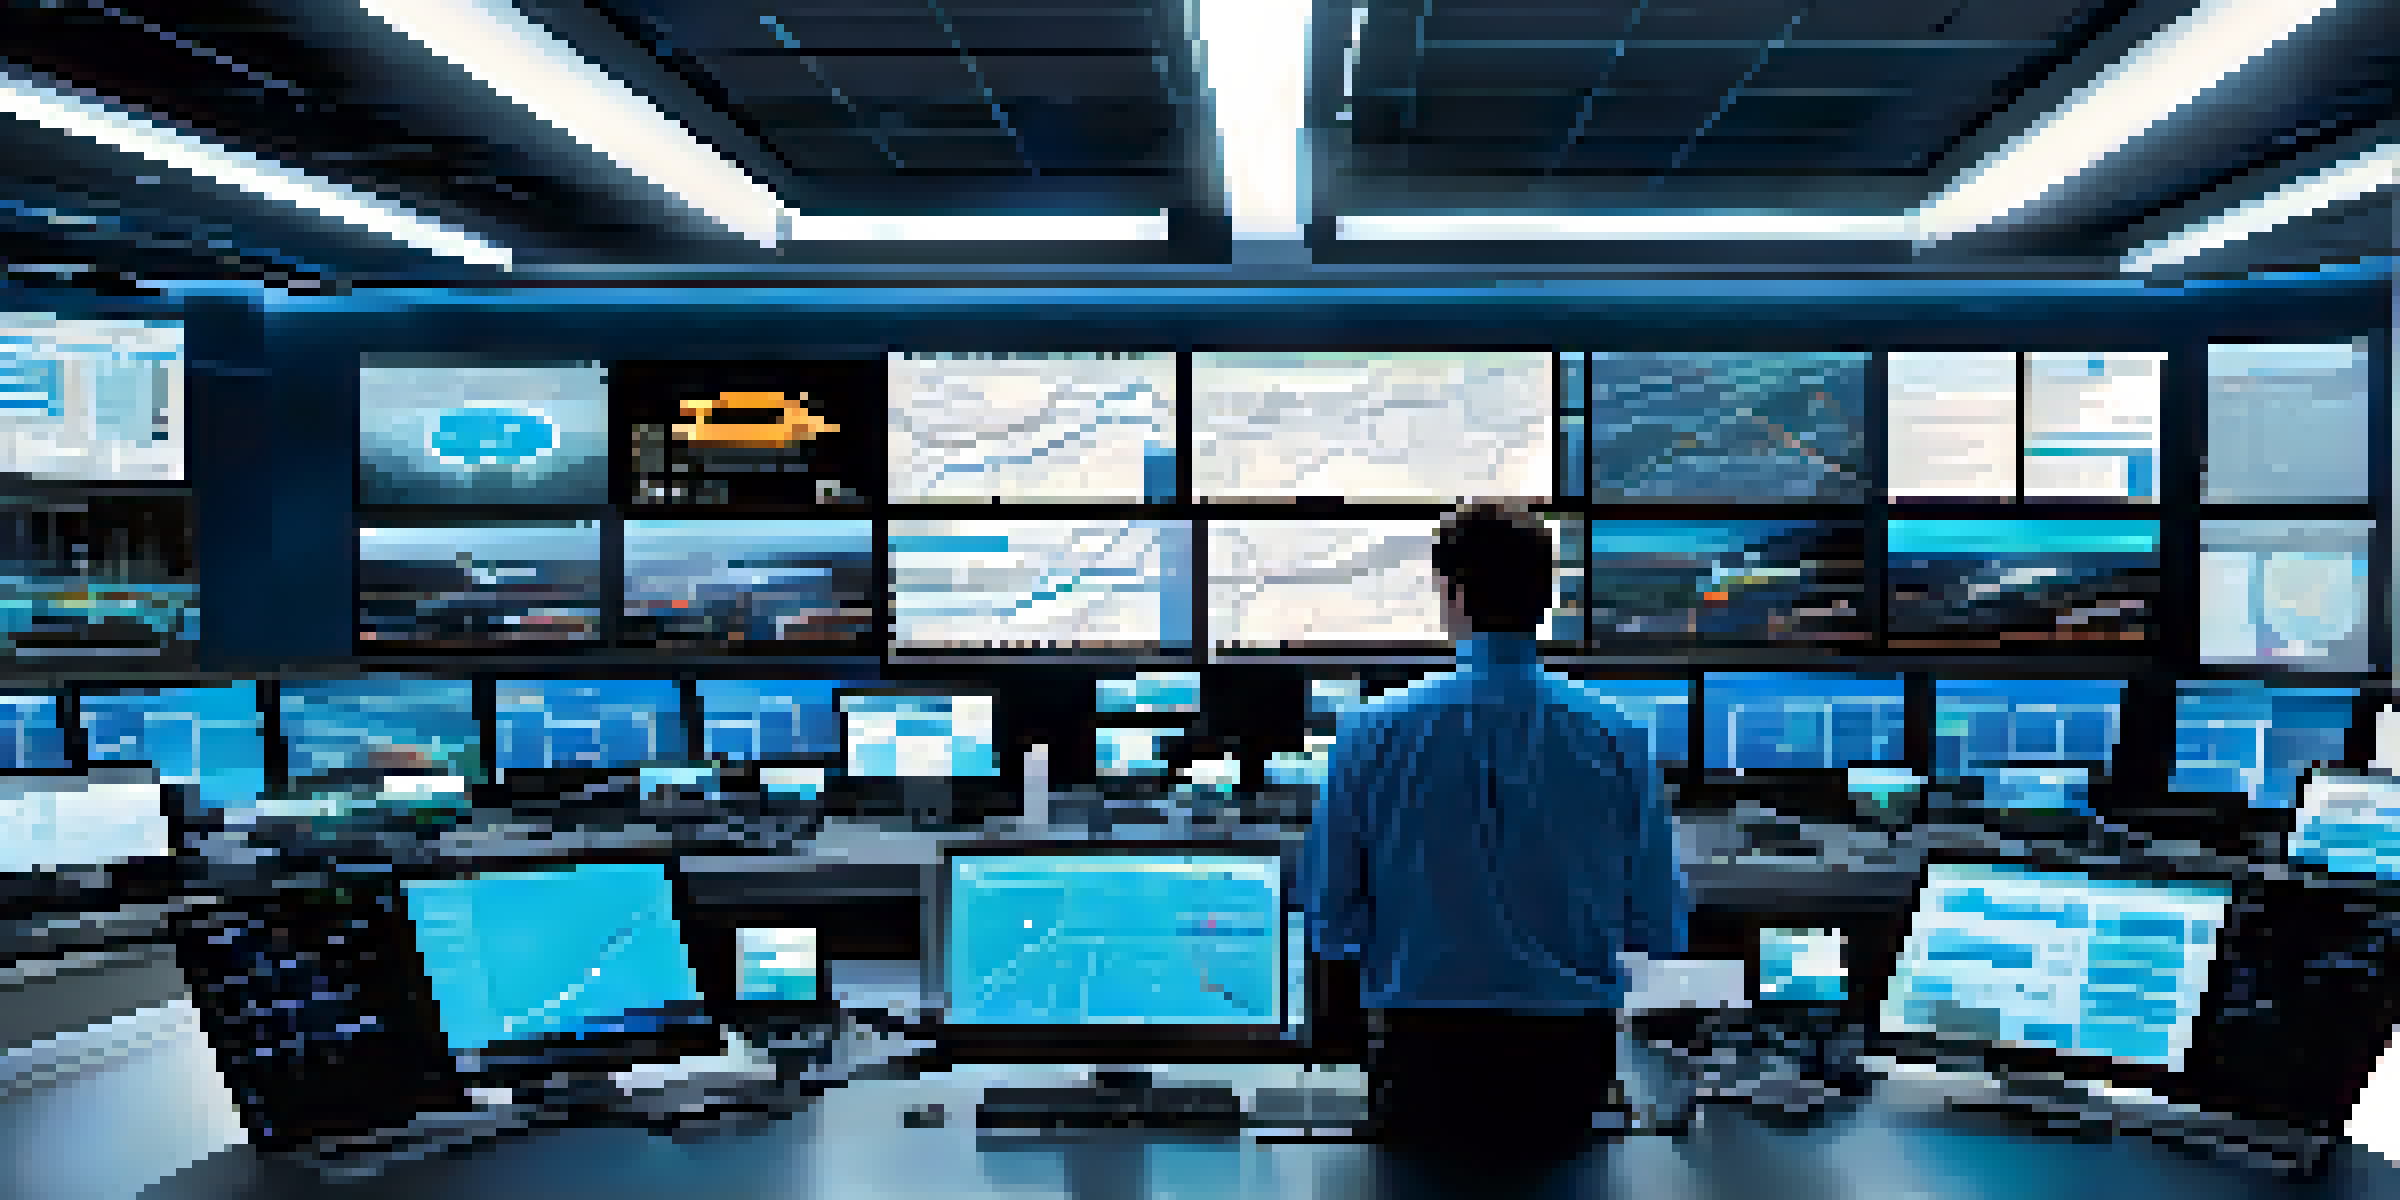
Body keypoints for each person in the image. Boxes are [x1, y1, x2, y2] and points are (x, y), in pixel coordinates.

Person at [1301, 502, 1691, 1154]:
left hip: (1423, 1064)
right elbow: (1661, 927)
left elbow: (1329, 924)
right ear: (1547, 598)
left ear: (1451, 595)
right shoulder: (1616, 735)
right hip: (1569, 1069)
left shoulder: (1371, 731)